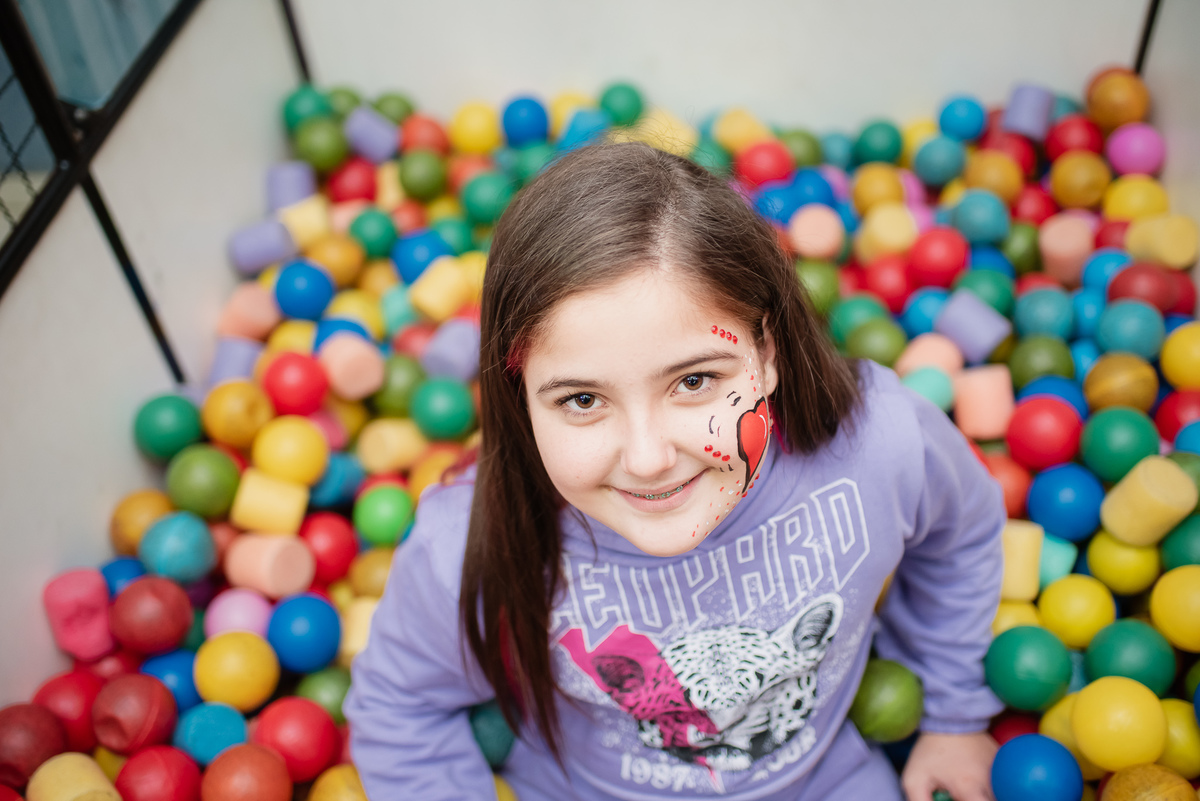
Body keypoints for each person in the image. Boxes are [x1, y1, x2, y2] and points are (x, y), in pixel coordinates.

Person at [345, 141, 1006, 801]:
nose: (647, 458)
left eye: (694, 381)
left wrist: (952, 715)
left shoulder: (879, 444)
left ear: (767, 353)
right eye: (582, 400)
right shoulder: (469, 542)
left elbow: (962, 536)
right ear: (519, 397)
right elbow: (401, 708)